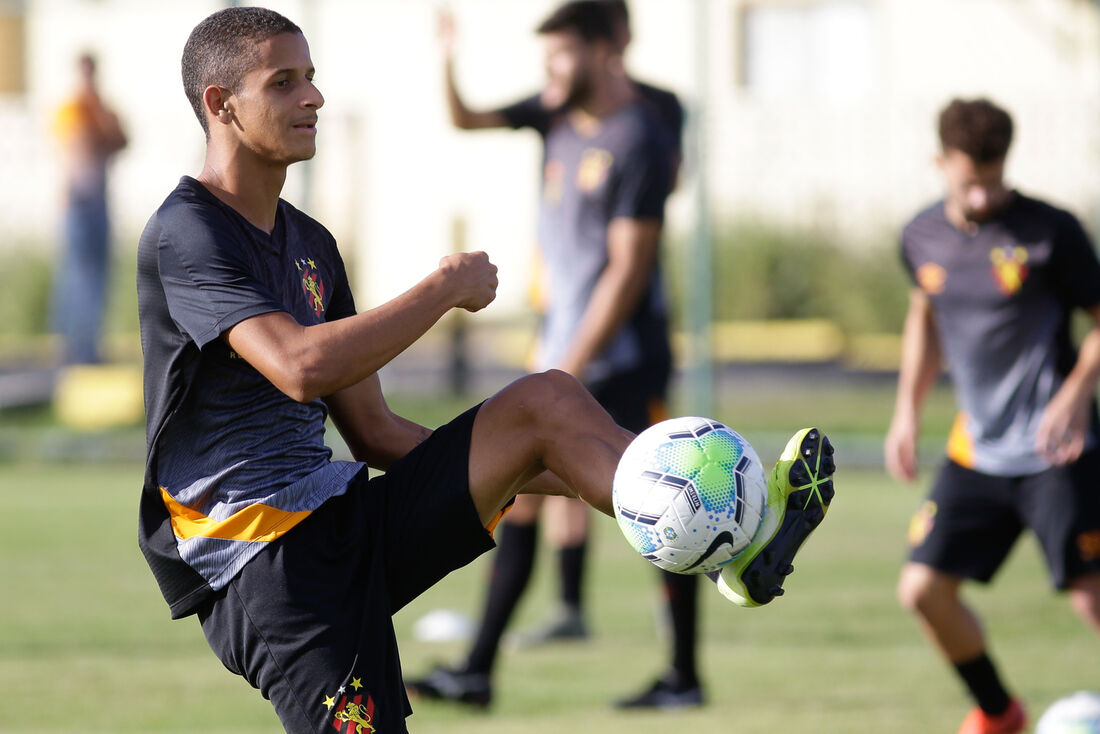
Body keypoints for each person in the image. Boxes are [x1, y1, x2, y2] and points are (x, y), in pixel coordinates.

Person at [138, 7, 832, 732]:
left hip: (340, 520)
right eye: (284, 82)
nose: (313, 97)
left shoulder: (310, 242)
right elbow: (299, 367)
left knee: (547, 406)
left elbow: (372, 432)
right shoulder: (187, 230)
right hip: (265, 566)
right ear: (221, 104)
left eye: (312, 78)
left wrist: (538, 465)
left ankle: (740, 537)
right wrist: (441, 290)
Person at [406, 1, 691, 710]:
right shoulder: (556, 113)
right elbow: (465, 119)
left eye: (561, 56)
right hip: (563, 354)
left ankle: (684, 674)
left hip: (620, 358)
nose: (550, 72)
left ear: (603, 52)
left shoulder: (641, 138)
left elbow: (627, 270)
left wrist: (573, 363)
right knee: (518, 496)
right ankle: (477, 671)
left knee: (670, 494)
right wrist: (446, 54)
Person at [885, 97, 1100, 734]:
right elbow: (925, 315)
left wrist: (1076, 393)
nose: (981, 197)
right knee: (921, 590)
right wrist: (907, 412)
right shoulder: (920, 236)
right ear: (940, 163)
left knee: (1090, 598)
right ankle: (999, 712)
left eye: (993, 178)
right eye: (968, 181)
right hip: (975, 451)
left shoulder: (1050, 232)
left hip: (1055, 450)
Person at [51, 51, 127, 364]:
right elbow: (81, 143)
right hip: (79, 201)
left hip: (98, 200)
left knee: (98, 275)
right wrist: (96, 118)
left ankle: (88, 346)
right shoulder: (73, 109)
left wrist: (100, 117)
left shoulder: (101, 109)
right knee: (77, 275)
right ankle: (73, 348)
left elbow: (121, 140)